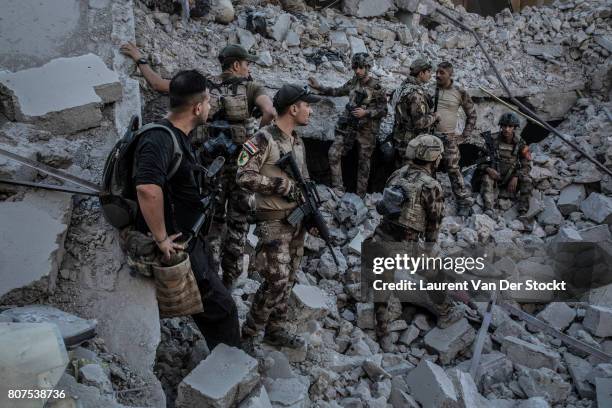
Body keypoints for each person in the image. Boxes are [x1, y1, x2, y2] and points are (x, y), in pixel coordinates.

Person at [120, 42, 276, 290]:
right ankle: (229, 285)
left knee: (209, 226)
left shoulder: (202, 86)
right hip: (239, 173)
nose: (248, 69)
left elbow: (158, 84)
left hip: (207, 172)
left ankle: (209, 280)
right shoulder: (251, 87)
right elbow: (270, 111)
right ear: (236, 64)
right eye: (247, 64)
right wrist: (254, 142)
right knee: (237, 228)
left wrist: (140, 60)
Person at [133, 70, 240, 349]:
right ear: (197, 107)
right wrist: (161, 238)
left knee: (213, 300)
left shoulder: (177, 136)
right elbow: (147, 188)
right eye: (208, 101)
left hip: (191, 238)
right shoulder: (160, 138)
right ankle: (230, 371)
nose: (211, 106)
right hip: (179, 245)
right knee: (223, 309)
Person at [235, 84, 320, 353]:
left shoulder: (297, 141)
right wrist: (280, 186)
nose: (311, 110)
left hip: (296, 221)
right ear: (293, 108)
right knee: (277, 280)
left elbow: (304, 181)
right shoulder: (263, 139)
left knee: (290, 275)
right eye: (307, 105)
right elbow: (243, 176)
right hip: (272, 223)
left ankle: (276, 329)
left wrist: (313, 216)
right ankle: (248, 333)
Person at [370, 134, 462, 348]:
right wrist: (430, 248)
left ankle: (382, 332)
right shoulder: (431, 186)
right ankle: (445, 313)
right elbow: (434, 222)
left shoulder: (397, 174)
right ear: (434, 158)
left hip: (382, 236)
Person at [308, 53, 387, 196]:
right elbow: (337, 91)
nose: (357, 71)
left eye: (361, 67)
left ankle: (361, 195)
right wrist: (320, 87)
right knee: (333, 153)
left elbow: (383, 110)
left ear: (367, 67)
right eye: (355, 67)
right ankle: (338, 188)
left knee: (363, 163)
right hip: (349, 127)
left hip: (366, 131)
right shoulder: (353, 82)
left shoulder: (377, 87)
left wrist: (366, 112)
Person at [434, 61, 477, 216]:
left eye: (442, 73)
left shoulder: (459, 92)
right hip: (430, 138)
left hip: (449, 138)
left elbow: (472, 114)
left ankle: (463, 203)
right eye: (437, 72)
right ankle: (431, 201)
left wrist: (465, 135)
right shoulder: (430, 89)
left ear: (450, 75)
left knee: (453, 169)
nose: (437, 75)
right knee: (427, 169)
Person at [478, 112, 533, 216]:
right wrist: (488, 170)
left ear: (515, 128)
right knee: (486, 178)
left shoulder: (521, 143)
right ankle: (488, 208)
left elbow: (527, 165)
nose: (507, 129)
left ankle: (523, 210)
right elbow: (479, 162)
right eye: (504, 126)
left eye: (510, 126)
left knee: (527, 180)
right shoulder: (491, 140)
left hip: (510, 179)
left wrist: (516, 176)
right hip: (494, 177)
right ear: (500, 126)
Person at [392, 58, 439, 169]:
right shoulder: (415, 94)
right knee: (409, 176)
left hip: (399, 139)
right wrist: (435, 116)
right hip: (410, 144)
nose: (430, 75)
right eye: (428, 72)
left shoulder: (403, 87)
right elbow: (419, 123)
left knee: (399, 173)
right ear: (421, 73)